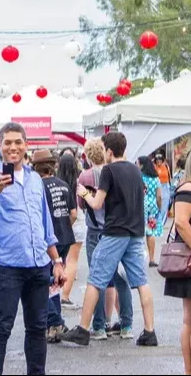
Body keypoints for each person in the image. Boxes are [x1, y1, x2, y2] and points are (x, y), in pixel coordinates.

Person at [0, 122, 65, 376]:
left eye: (18, 142)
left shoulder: (36, 178)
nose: (13, 147)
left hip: (38, 264)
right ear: (0, 145)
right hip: (7, 265)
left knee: (37, 327)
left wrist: (57, 261)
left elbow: (45, 223)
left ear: (26, 145)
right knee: (1, 328)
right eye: (7, 142)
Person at [62, 131, 158, 348]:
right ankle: (149, 331)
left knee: (96, 278)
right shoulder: (135, 169)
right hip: (135, 232)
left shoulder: (108, 170)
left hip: (114, 231)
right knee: (141, 281)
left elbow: (97, 204)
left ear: (110, 151)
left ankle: (83, 329)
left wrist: (85, 194)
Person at [77, 137, 133, 340]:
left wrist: (84, 195)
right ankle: (126, 324)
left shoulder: (85, 176)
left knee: (96, 278)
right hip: (117, 228)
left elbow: (84, 205)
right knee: (120, 278)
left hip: (96, 231)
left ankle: (99, 326)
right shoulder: (117, 172)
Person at [33, 150, 76, 342]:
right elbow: (73, 213)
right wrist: (64, 225)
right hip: (65, 236)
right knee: (57, 281)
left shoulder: (36, 187)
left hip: (47, 240)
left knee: (44, 281)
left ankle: (54, 321)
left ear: (36, 167)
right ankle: (55, 322)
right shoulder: (64, 185)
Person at [57, 151, 85, 308]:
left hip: (60, 225)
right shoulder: (77, 184)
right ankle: (65, 297)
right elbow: (77, 209)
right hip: (76, 223)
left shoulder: (58, 184)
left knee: (59, 261)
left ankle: (55, 294)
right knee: (72, 260)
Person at [138, 155, 164, 266]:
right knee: (150, 232)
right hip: (152, 206)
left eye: (138, 163)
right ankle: (152, 259)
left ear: (142, 165)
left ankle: (138, 258)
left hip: (140, 205)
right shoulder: (156, 178)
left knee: (139, 233)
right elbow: (159, 196)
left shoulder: (139, 177)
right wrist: (159, 206)